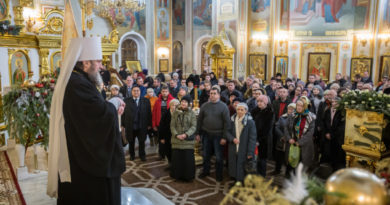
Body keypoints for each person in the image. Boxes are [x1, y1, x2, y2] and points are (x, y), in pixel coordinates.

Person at [48, 37, 125, 204]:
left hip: (78, 152)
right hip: (85, 165)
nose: (101, 66)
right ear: (85, 63)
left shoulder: (77, 80)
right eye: (98, 61)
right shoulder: (77, 84)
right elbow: (95, 117)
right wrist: (114, 103)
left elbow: (92, 109)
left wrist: (108, 105)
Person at [196, 87, 230, 182]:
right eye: (211, 93)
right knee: (206, 154)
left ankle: (219, 174)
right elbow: (200, 120)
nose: (212, 95)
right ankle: (206, 171)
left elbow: (227, 124)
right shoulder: (204, 106)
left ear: (219, 95)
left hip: (219, 135)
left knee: (219, 157)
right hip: (206, 134)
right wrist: (198, 133)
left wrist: (224, 137)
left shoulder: (224, 107)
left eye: (215, 93)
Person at [226, 103, 257, 183]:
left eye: (242, 110)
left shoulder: (250, 122)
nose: (239, 111)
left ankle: (241, 181)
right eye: (238, 109)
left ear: (246, 111)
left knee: (242, 165)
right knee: (234, 164)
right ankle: (235, 179)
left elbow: (252, 138)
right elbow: (227, 132)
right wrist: (232, 139)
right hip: (234, 146)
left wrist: (250, 152)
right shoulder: (232, 120)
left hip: (244, 147)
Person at [170, 96, 197, 181]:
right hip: (176, 140)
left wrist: (186, 134)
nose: (183, 103)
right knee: (177, 160)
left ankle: (188, 177)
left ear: (188, 103)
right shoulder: (175, 113)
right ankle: (177, 176)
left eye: (185, 102)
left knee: (187, 160)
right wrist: (176, 135)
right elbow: (172, 126)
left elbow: (193, 126)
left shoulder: (192, 113)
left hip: (187, 141)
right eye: (182, 102)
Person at [122, 86, 152, 161]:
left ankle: (142, 155)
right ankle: (132, 155)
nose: (136, 92)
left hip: (142, 125)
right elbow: (123, 114)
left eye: (137, 90)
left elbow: (149, 113)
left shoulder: (146, 101)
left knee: (142, 141)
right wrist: (123, 124)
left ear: (140, 91)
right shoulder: (126, 101)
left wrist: (149, 124)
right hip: (130, 125)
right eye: (134, 91)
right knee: (131, 141)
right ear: (131, 92)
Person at [286, 96, 316, 173]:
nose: (299, 107)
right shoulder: (292, 115)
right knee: (291, 166)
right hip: (293, 144)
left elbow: (310, 133)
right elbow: (286, 128)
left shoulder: (311, 117)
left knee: (301, 168)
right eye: (297, 105)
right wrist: (289, 138)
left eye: (301, 106)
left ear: (305, 106)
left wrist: (300, 142)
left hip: (305, 145)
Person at [251, 95, 274, 177]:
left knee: (262, 159)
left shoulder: (270, 112)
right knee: (255, 158)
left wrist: (258, 140)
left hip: (264, 139)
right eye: (258, 101)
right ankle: (256, 175)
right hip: (254, 137)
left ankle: (262, 176)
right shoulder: (254, 111)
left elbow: (267, 129)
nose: (259, 103)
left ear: (265, 103)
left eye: (261, 102)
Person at [322, 97, 346, 171]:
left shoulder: (342, 112)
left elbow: (341, 127)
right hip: (327, 134)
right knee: (328, 151)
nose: (334, 104)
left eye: (336, 102)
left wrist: (332, 135)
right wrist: (326, 133)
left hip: (337, 137)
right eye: (333, 102)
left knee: (336, 153)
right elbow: (324, 122)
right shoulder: (327, 111)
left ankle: (335, 169)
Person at [152, 86, 175, 159]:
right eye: (163, 91)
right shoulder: (157, 101)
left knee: (169, 140)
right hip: (160, 123)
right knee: (161, 140)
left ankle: (170, 155)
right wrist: (154, 124)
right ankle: (161, 154)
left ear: (168, 92)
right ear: (161, 92)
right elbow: (154, 113)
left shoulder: (173, 100)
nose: (164, 93)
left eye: (166, 91)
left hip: (169, 123)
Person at [274, 103, 296, 176]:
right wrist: (282, 136)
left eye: (293, 109)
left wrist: (290, 138)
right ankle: (277, 170)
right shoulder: (282, 117)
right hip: (282, 140)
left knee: (289, 157)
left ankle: (288, 173)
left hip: (290, 141)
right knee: (279, 156)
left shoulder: (296, 118)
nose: (291, 110)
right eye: (289, 109)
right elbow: (277, 127)